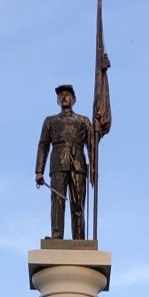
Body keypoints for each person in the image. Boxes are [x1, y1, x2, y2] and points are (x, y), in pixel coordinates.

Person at [35, 84, 92, 239]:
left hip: (78, 164)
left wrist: (93, 168)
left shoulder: (83, 121)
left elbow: (92, 146)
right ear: (57, 101)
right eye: (61, 95)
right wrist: (39, 171)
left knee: (78, 202)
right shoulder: (50, 121)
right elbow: (43, 146)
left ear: (74, 99)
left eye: (68, 94)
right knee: (57, 200)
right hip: (58, 163)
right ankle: (56, 235)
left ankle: (79, 237)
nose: (64, 97)